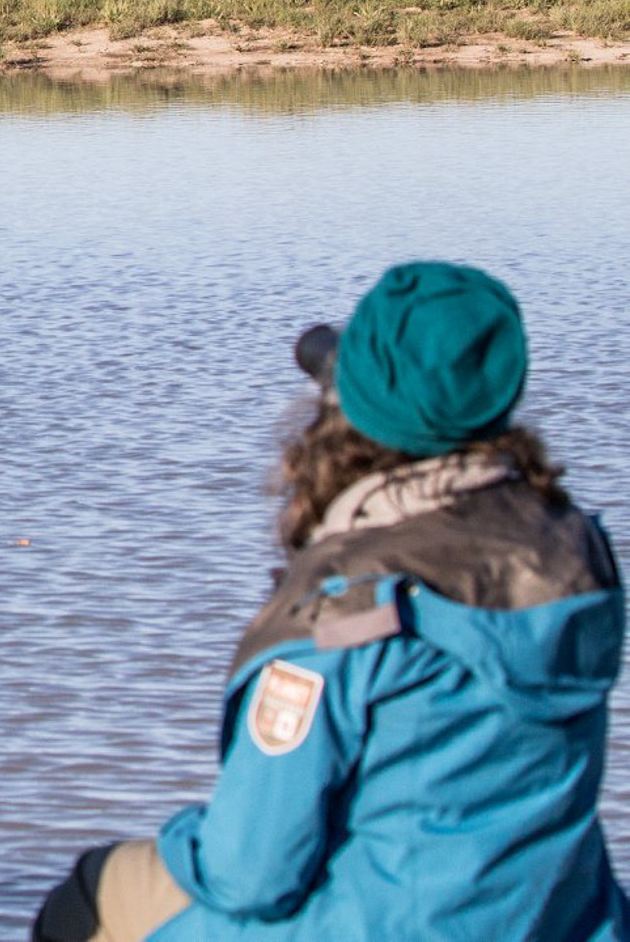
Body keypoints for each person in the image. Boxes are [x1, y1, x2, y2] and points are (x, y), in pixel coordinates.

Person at [33, 261, 630, 941]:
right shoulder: (578, 557)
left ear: (352, 412)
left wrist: (181, 840)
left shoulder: (345, 606)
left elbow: (249, 874)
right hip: (560, 920)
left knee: (93, 893)